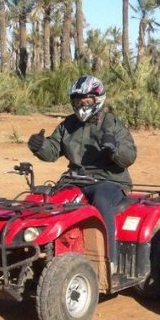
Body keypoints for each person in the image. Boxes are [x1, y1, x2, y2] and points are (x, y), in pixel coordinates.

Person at [27, 75, 136, 269]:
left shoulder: (112, 124)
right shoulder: (68, 125)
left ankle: (110, 259)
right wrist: (39, 146)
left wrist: (114, 149)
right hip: (75, 179)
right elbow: (52, 151)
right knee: (44, 200)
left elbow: (129, 157)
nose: (82, 105)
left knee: (101, 201)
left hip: (109, 180)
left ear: (97, 99)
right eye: (78, 101)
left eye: (86, 100)